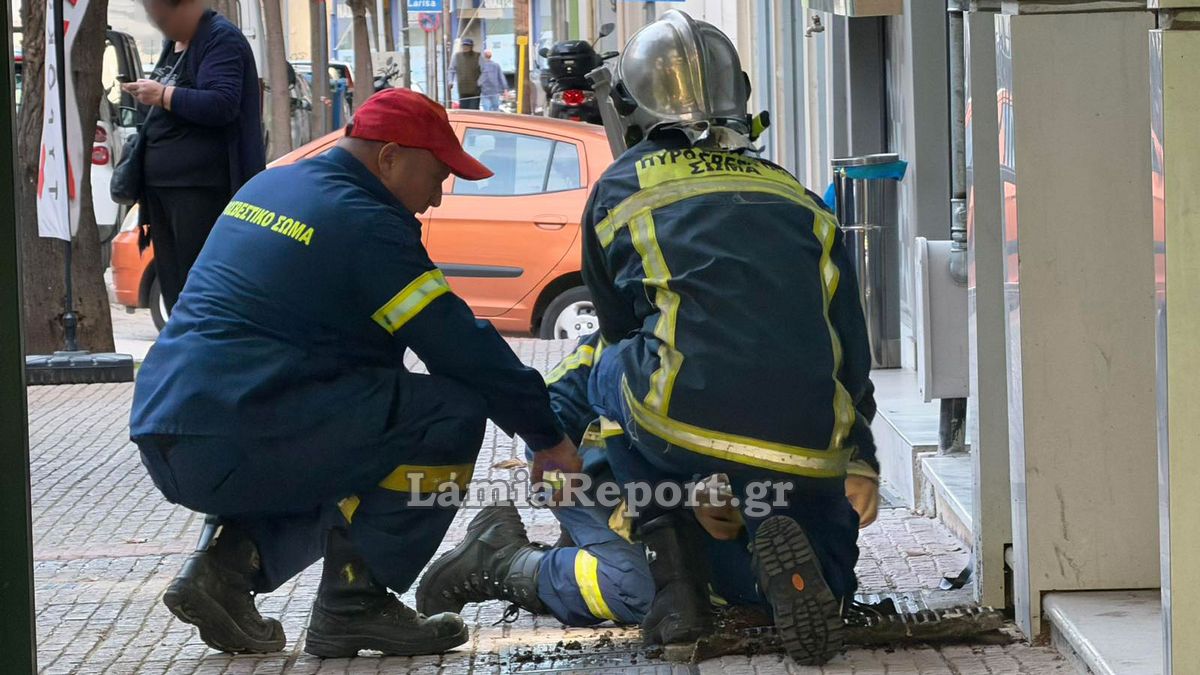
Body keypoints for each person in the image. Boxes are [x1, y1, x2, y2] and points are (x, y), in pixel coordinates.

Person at [416, 11, 880, 667]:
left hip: (670, 433)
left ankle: (681, 561)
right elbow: (851, 352)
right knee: (667, 581)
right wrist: (859, 458)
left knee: (639, 381)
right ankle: (508, 561)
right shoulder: (799, 196)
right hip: (635, 464)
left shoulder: (622, 187)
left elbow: (625, 334)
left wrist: (711, 487)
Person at [129, 88, 577, 658]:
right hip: (241, 429)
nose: (437, 197)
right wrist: (548, 439)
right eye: (437, 174)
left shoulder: (273, 185)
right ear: (389, 157)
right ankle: (355, 603)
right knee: (448, 413)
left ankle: (221, 568)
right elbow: (462, 349)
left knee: (364, 430)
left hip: (171, 425)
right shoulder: (366, 223)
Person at [122, 0, 265, 314]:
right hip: (163, 189)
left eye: (161, 14)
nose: (156, 22)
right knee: (175, 288)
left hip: (199, 190)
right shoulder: (174, 41)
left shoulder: (220, 38)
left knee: (197, 285)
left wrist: (162, 95)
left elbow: (222, 103)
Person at [449, 38, 482, 110]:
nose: (465, 47)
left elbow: (484, 71)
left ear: (471, 47)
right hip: (462, 88)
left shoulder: (478, 56)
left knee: (474, 111)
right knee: (463, 110)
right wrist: (450, 81)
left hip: (475, 90)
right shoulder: (457, 56)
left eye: (468, 46)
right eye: (464, 46)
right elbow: (452, 70)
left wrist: (480, 82)